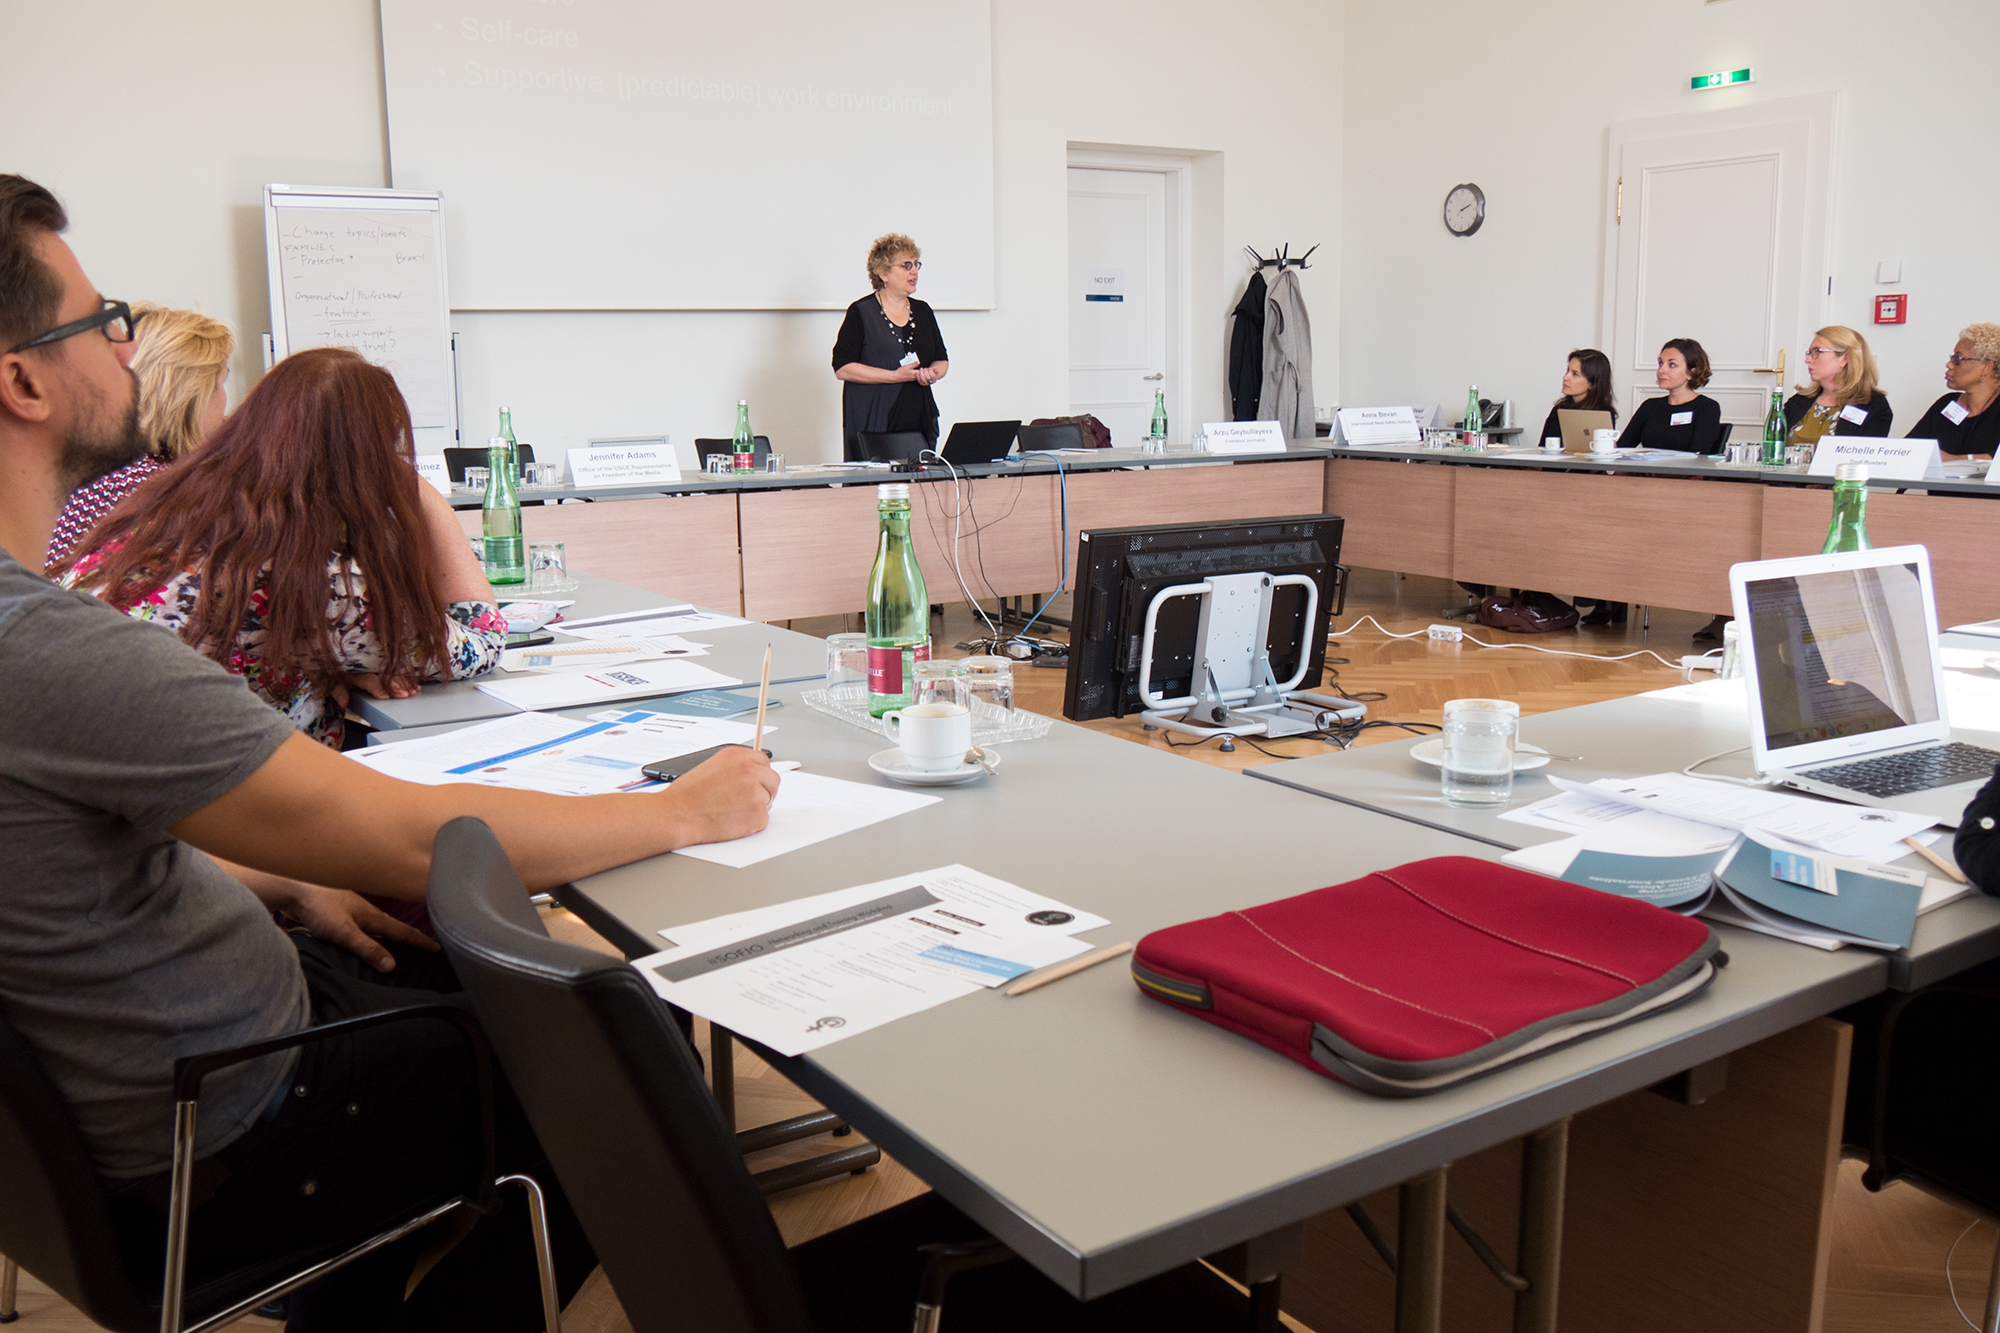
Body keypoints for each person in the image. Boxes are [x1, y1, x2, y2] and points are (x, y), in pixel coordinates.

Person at [0, 174, 778, 1332]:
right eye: (101, 322)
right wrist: (684, 813)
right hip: (236, 1112)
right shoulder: (49, 654)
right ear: (22, 381)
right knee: (625, 1052)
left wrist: (275, 876)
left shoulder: (55, 621)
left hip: (171, 1068)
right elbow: (414, 839)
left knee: (505, 990)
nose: (127, 345)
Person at [58, 345, 505, 752]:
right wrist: (423, 494)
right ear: (366, 464)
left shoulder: (168, 515)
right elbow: (480, 640)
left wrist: (335, 663)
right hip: (206, 801)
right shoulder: (317, 579)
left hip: (90, 772)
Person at [45, 302, 232, 567]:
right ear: (188, 396)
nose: (226, 402)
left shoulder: (86, 468)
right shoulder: (165, 494)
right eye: (221, 383)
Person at [832, 232, 949, 461]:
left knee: (920, 477)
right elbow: (842, 368)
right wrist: (894, 376)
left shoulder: (923, 311)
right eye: (906, 265)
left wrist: (932, 374)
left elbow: (941, 359)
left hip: (917, 416)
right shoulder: (861, 312)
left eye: (916, 264)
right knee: (877, 478)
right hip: (875, 419)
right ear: (883, 273)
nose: (914, 271)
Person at [1785, 325, 1892, 448]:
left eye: (1817, 352)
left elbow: (1866, 454)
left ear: (1845, 358)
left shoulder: (1873, 405)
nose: (1807, 360)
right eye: (1809, 353)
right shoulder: (1799, 401)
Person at [1905, 322, 2000, 461]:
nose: (1949, 364)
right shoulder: (1946, 403)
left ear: (1986, 367)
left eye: (1958, 359)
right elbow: (1909, 448)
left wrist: (1954, 460)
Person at [1617, 338, 1725, 454]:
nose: (1661, 370)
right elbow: (1622, 447)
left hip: (1685, 466)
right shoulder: (1650, 406)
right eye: (1660, 364)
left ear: (1692, 372)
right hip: (1649, 465)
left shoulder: (1706, 407)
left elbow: (1698, 454)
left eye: (1672, 365)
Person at [1536, 347, 1619, 447]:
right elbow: (1543, 447)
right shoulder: (1559, 409)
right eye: (1567, 370)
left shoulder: (1604, 413)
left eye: (1575, 374)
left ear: (1592, 383)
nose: (1565, 377)